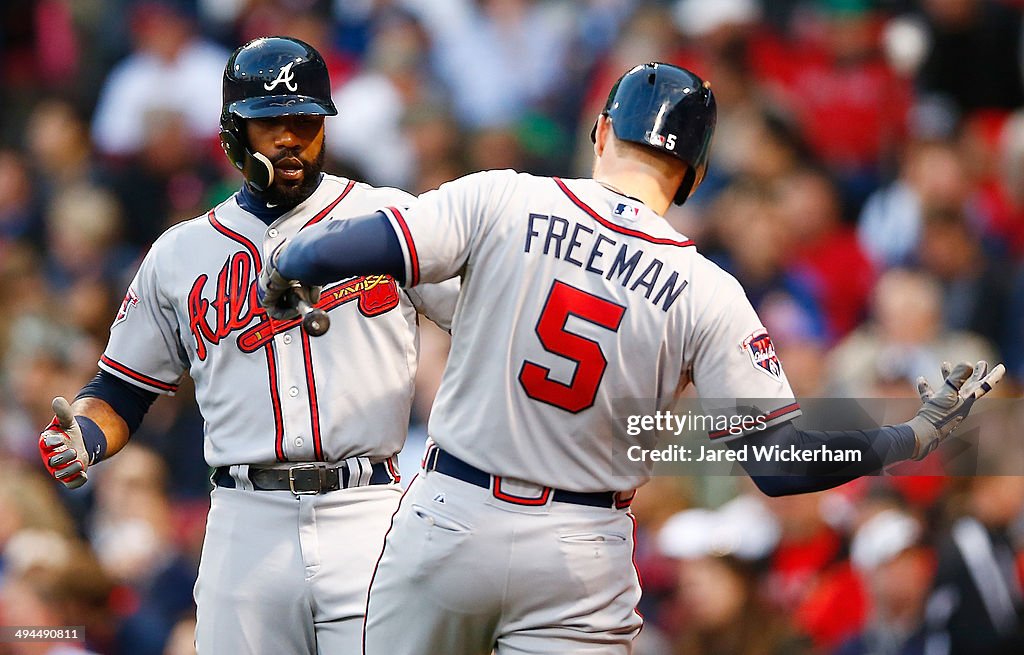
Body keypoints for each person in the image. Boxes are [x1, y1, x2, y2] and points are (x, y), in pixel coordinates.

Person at [261, 62, 1004, 654]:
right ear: (696, 174)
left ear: (601, 130)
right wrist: (902, 437)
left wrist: (292, 261)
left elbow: (365, 245)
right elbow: (780, 466)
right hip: (580, 553)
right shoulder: (709, 290)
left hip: (452, 516)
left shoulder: (506, 197)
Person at [37, 36, 455, 655]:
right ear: (233, 133)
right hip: (245, 521)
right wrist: (87, 438)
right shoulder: (182, 252)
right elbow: (121, 388)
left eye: (305, 121)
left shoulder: (389, 219)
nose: (290, 137)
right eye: (270, 122)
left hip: (372, 511)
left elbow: (483, 320)